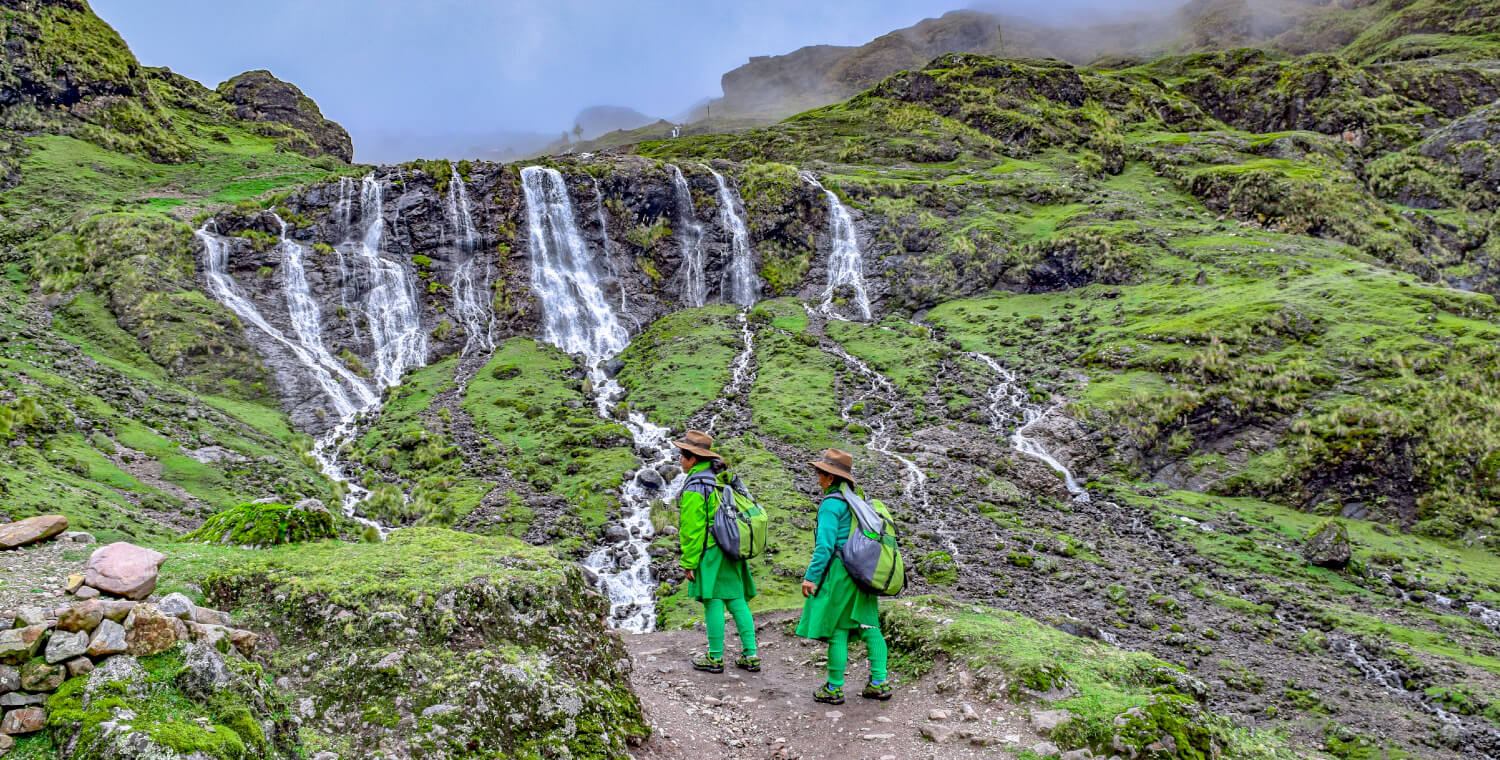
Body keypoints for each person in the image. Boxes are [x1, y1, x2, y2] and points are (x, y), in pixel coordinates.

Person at [796, 448, 890, 704]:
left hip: (840, 572)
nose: (818, 479)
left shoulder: (832, 504)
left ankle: (834, 687)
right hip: (864, 571)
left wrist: (811, 577)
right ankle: (879, 683)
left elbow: (825, 546)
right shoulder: (858, 502)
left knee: (837, 628)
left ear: (830, 477)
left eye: (821, 474)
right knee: (869, 626)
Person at [675, 429, 759, 673]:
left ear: (692, 458)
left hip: (710, 551)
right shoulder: (722, 478)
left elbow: (692, 529)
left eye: (682, 456)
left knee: (712, 601)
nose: (680, 461)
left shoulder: (696, 485)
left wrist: (689, 561)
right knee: (737, 600)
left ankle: (714, 657)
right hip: (732, 547)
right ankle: (751, 655)